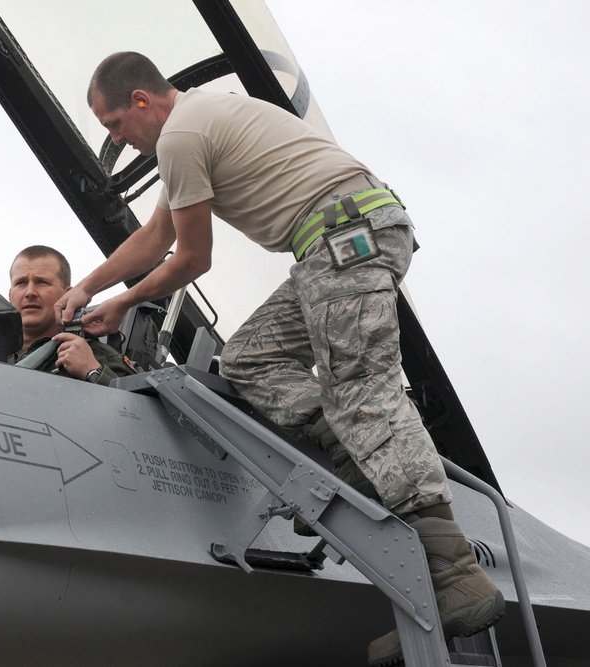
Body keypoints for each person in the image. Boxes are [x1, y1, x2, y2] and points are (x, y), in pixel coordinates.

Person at [56, 51, 503, 665]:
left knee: (362, 390)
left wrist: (124, 302)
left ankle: (454, 575)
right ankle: (353, 458)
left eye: (113, 124)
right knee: (250, 359)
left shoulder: (182, 135)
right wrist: (87, 288)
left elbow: (190, 260)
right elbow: (154, 238)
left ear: (141, 101)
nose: (118, 140)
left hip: (342, 237)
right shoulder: (198, 123)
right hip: (338, 239)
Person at [8, 245, 134, 385]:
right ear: (10, 296)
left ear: (68, 295)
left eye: (42, 282)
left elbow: (141, 404)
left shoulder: (94, 355)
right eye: (21, 283)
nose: (30, 292)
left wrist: (94, 372)